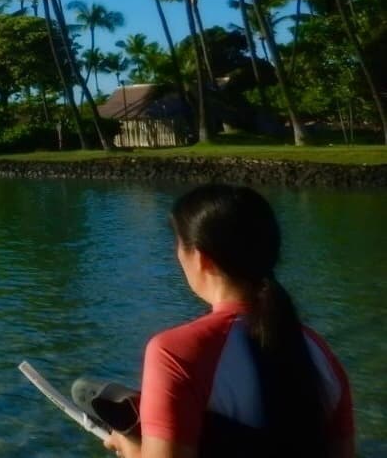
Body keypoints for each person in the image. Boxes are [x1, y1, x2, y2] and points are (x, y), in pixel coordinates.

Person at [100, 184, 355, 458]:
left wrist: (134, 450)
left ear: (201, 258)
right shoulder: (320, 353)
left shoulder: (175, 352)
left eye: (177, 244)